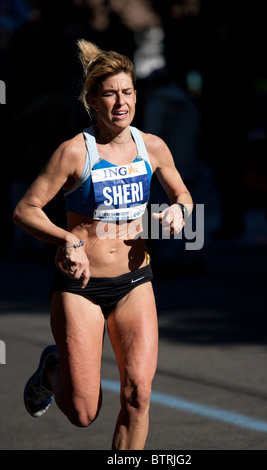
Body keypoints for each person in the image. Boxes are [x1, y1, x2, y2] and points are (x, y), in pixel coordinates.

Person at [13, 38, 193, 450]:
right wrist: (65, 240)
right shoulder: (76, 152)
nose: (120, 102)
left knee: (138, 394)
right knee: (82, 412)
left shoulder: (152, 147)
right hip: (81, 288)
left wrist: (180, 211)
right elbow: (26, 209)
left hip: (134, 281)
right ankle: (50, 370)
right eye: (109, 93)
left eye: (127, 92)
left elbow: (183, 195)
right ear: (92, 99)